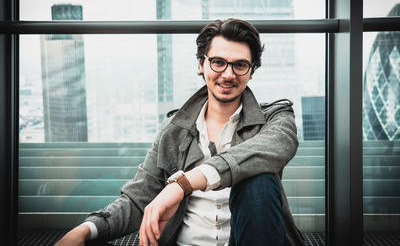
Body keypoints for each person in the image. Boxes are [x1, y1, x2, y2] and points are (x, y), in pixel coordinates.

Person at [56, 18, 305, 246]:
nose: (228, 74)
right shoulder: (175, 129)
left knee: (258, 180)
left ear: (251, 71)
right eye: (218, 62)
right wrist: (86, 230)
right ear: (201, 64)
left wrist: (182, 185)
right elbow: (138, 199)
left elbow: (277, 146)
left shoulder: (274, 118)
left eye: (240, 65)